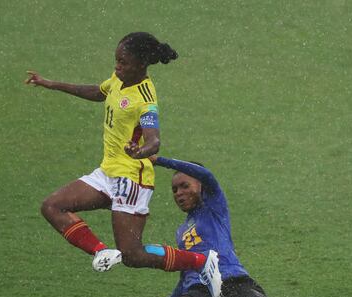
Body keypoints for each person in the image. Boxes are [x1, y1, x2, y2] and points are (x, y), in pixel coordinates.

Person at [25, 32, 217, 277]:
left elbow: (154, 140)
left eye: (123, 62)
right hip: (107, 173)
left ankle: (203, 262)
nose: (117, 66)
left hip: (131, 180)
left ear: (140, 64)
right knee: (52, 206)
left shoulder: (145, 98)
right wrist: (50, 84)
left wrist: (140, 151)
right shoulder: (118, 79)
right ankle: (101, 250)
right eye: (116, 60)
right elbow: (99, 92)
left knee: (132, 255)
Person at [137, 156, 312, 297]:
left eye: (184, 186)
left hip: (234, 283)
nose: (178, 193)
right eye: (174, 190)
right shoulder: (181, 233)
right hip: (201, 291)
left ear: (200, 185)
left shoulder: (214, 205)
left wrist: (159, 160)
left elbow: (207, 175)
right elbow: (184, 279)